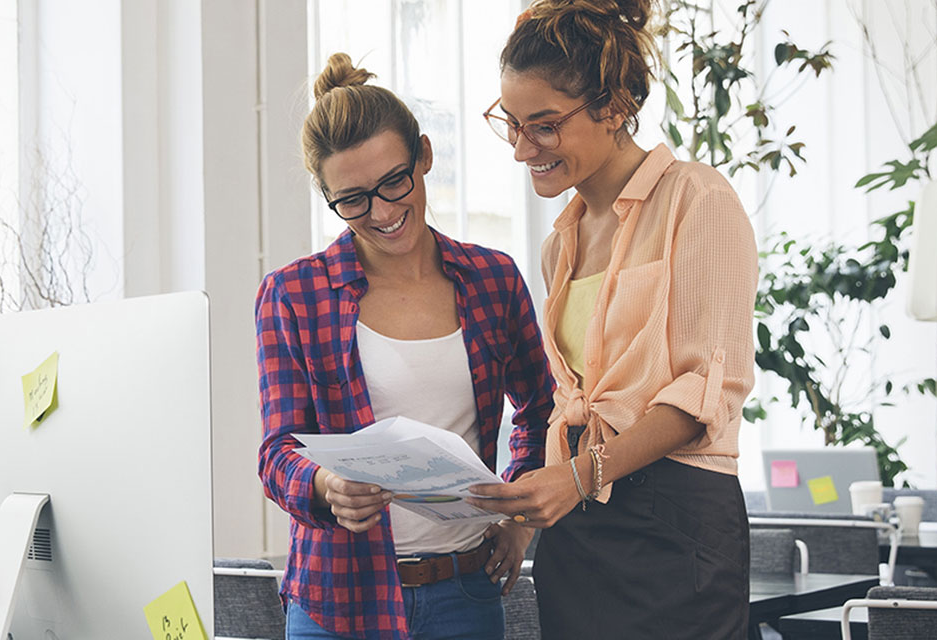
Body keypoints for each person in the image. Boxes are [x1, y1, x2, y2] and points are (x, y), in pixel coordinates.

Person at [467, 1, 758, 638]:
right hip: (578, 527)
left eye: (543, 126)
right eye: (511, 125)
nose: (522, 149)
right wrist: (525, 515)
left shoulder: (697, 200)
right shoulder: (559, 244)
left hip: (675, 515)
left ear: (616, 106)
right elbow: (565, 402)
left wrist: (578, 476)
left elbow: (705, 394)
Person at [255, 52, 554, 640]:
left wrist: (518, 516)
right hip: (336, 600)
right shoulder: (293, 294)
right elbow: (277, 451)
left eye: (395, 181)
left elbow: (543, 410)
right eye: (354, 200)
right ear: (329, 198)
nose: (385, 212)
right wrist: (324, 486)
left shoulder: (492, 279)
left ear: (424, 155)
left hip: (464, 593)